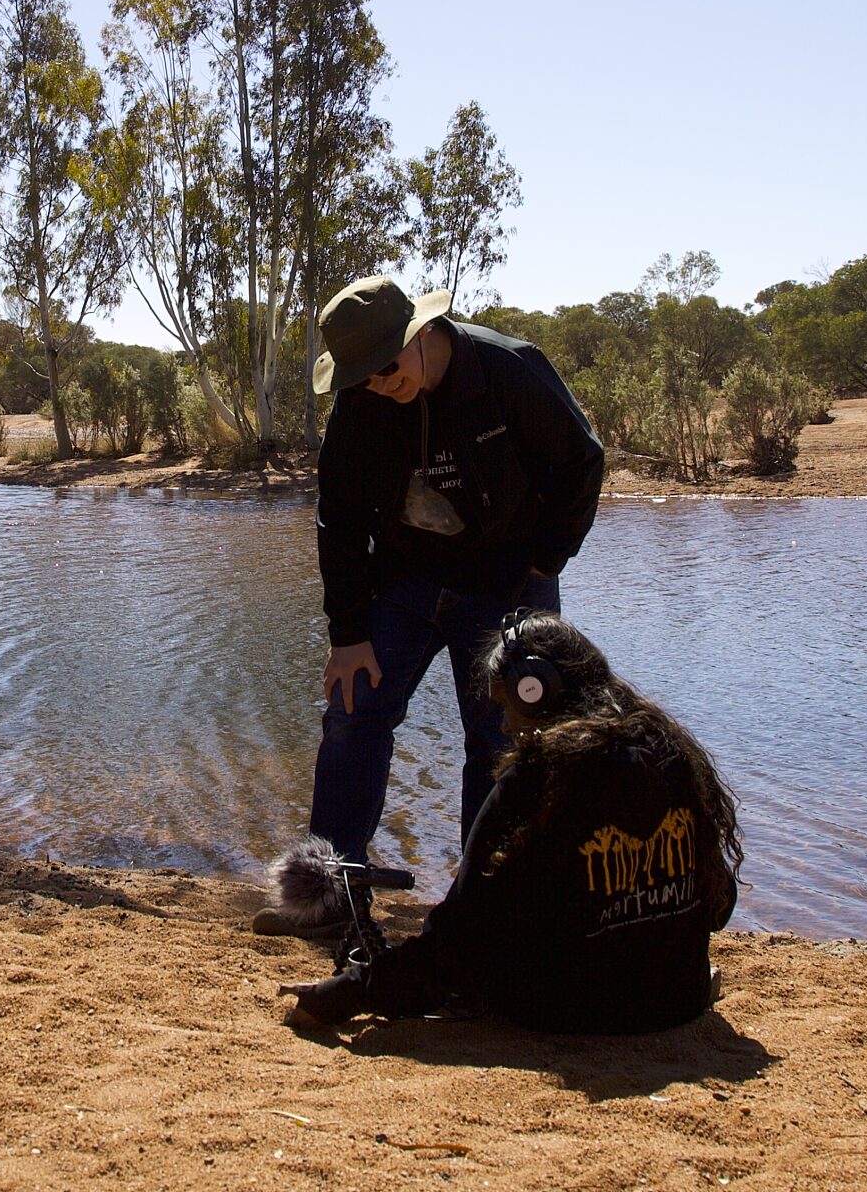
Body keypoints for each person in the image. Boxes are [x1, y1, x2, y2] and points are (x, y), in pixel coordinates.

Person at [253, 276, 605, 937]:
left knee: (500, 742)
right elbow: (338, 517)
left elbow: (583, 463)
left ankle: (484, 908)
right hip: (405, 585)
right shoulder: (363, 403)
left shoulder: (507, 368)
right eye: (362, 376)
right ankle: (330, 895)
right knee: (353, 711)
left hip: (507, 589)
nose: (379, 385)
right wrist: (348, 631)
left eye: (386, 369)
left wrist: (543, 565)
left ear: (420, 334)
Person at [281, 612, 741, 1033]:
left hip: (573, 1013)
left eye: (507, 703)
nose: (504, 725)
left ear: (536, 690)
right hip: (678, 1000)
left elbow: (459, 946)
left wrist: (346, 990)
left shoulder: (538, 778)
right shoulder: (674, 754)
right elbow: (719, 907)